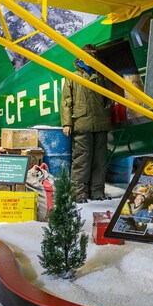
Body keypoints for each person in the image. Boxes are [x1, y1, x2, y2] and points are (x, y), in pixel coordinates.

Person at [61, 44, 113, 203]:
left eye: (93, 55)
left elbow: (109, 98)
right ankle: (78, 194)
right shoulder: (72, 77)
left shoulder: (101, 77)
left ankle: (97, 192)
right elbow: (66, 102)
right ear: (80, 57)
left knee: (100, 161)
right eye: (88, 55)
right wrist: (67, 123)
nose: (91, 58)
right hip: (81, 124)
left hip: (100, 125)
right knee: (81, 161)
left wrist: (105, 113)